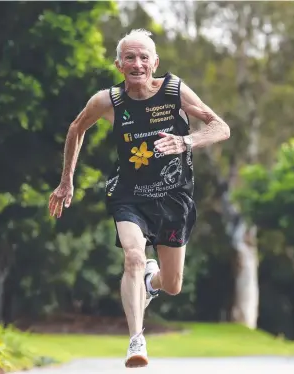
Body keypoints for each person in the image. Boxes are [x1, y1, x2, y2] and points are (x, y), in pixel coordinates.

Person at [48, 29, 230, 368]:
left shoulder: (174, 91)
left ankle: (152, 280)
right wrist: (66, 182)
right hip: (129, 194)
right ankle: (136, 340)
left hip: (174, 196)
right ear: (119, 65)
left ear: (155, 62)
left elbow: (220, 126)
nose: (137, 63)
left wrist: (186, 141)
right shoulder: (107, 101)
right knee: (133, 255)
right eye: (130, 57)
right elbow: (76, 128)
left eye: (144, 57)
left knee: (173, 285)